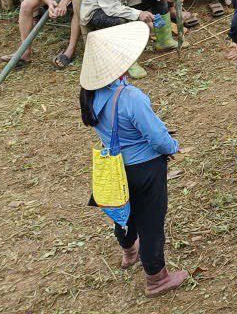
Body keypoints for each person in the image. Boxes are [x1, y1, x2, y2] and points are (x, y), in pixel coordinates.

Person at [79, 21, 187, 296]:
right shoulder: (130, 97)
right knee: (151, 221)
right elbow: (157, 137)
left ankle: (129, 252)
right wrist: (172, 146)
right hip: (145, 168)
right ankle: (156, 278)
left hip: (115, 166)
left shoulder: (89, 95)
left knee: (124, 211)